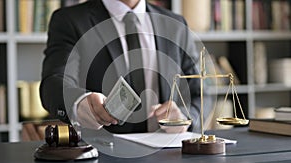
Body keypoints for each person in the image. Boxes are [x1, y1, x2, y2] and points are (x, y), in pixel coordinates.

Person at [40, 0, 211, 134]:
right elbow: (54, 82)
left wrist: (184, 118)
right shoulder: (70, 20)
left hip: (169, 155)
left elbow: (200, 93)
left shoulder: (175, 25)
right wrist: (79, 103)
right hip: (104, 157)